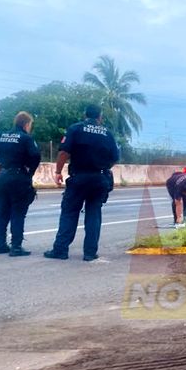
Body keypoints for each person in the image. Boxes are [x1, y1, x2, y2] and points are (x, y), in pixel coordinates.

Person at [44, 104, 119, 261]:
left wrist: (58, 172)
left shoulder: (75, 129)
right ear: (100, 117)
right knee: (94, 214)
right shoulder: (107, 133)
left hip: (79, 177)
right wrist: (102, 167)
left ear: (85, 115)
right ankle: (90, 253)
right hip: (99, 179)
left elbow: (64, 151)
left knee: (69, 212)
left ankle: (60, 250)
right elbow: (114, 158)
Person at [0, 111, 41, 257]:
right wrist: (30, 171)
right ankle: (16, 247)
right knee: (18, 212)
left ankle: (0, 244)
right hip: (18, 177)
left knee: (1, 213)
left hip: (2, 177)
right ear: (27, 124)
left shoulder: (2, 136)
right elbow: (35, 155)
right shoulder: (26, 138)